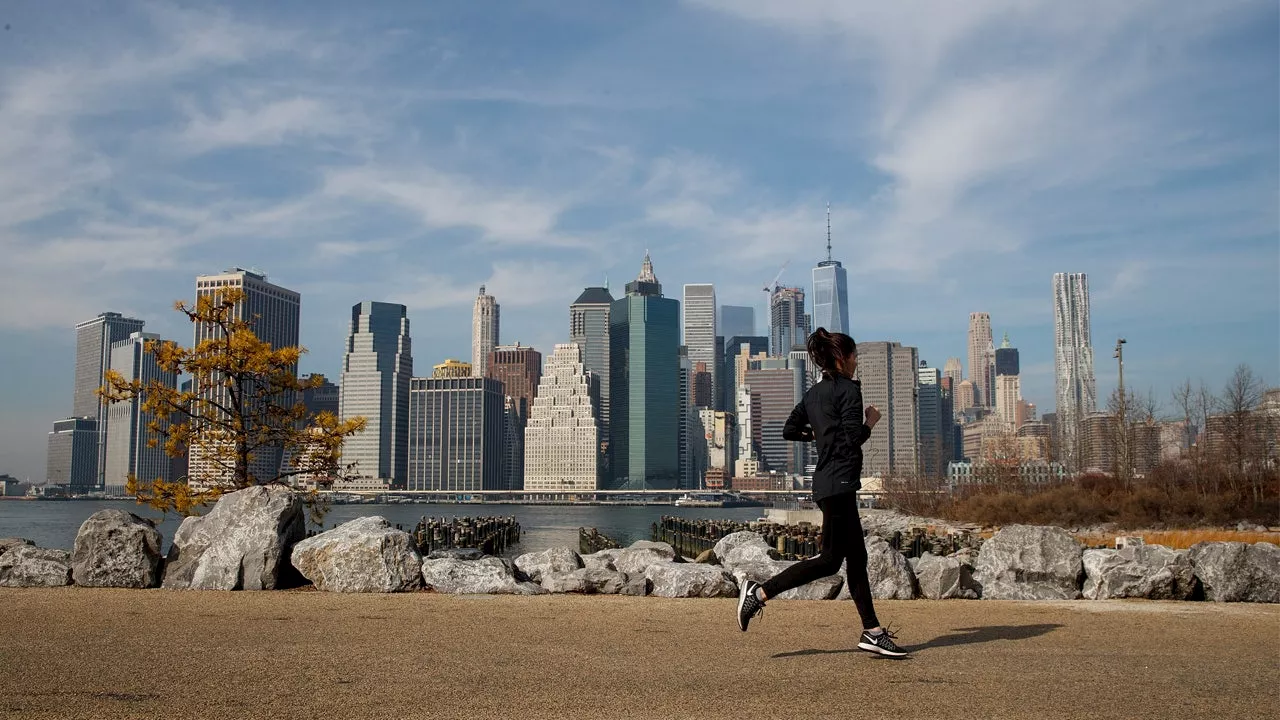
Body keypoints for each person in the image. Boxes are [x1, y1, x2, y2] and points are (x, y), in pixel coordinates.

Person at [734, 328, 907, 657]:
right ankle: (758, 594)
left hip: (827, 483)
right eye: (854, 356)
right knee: (830, 561)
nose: (856, 362)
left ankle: (872, 632)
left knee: (857, 559)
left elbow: (788, 430)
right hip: (840, 482)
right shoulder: (848, 391)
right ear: (842, 358)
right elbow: (853, 439)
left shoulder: (813, 395)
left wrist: (818, 434)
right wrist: (870, 422)